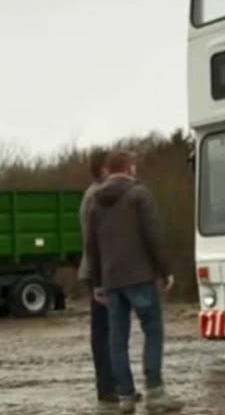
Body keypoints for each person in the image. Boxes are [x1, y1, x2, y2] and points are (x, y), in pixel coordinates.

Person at [86, 150, 181, 413]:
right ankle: (155, 393)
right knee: (153, 331)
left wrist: (97, 283)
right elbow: (153, 234)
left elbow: (91, 246)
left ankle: (126, 397)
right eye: (134, 166)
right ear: (129, 168)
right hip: (140, 276)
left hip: (111, 280)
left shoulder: (95, 201)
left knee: (117, 338)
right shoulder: (140, 195)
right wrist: (166, 270)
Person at [78, 148, 117, 411]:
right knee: (103, 332)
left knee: (106, 331)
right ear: (104, 170)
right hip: (99, 270)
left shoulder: (92, 194)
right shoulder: (98, 196)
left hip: (98, 269)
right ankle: (108, 389)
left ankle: (112, 386)